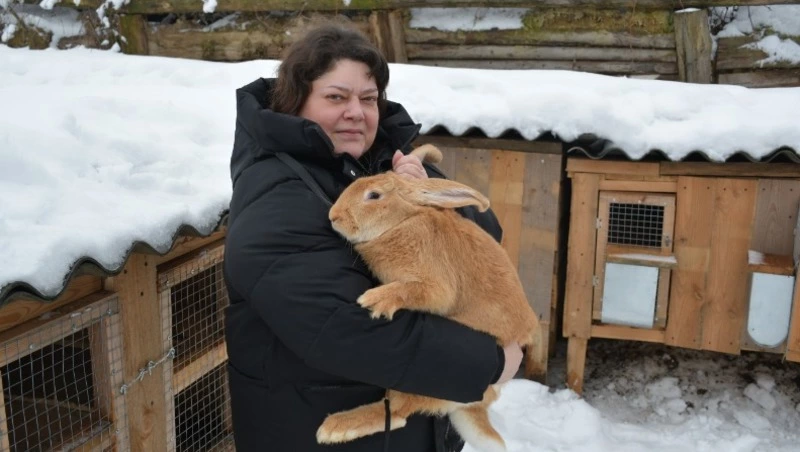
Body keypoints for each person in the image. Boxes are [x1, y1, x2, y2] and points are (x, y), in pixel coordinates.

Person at [223, 21, 523, 452]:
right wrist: (489, 362)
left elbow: (482, 239)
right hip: (318, 433)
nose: (356, 112)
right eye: (336, 97)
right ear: (296, 101)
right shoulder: (279, 197)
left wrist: (425, 197)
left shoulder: (378, 163)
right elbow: (346, 326)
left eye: (368, 99)